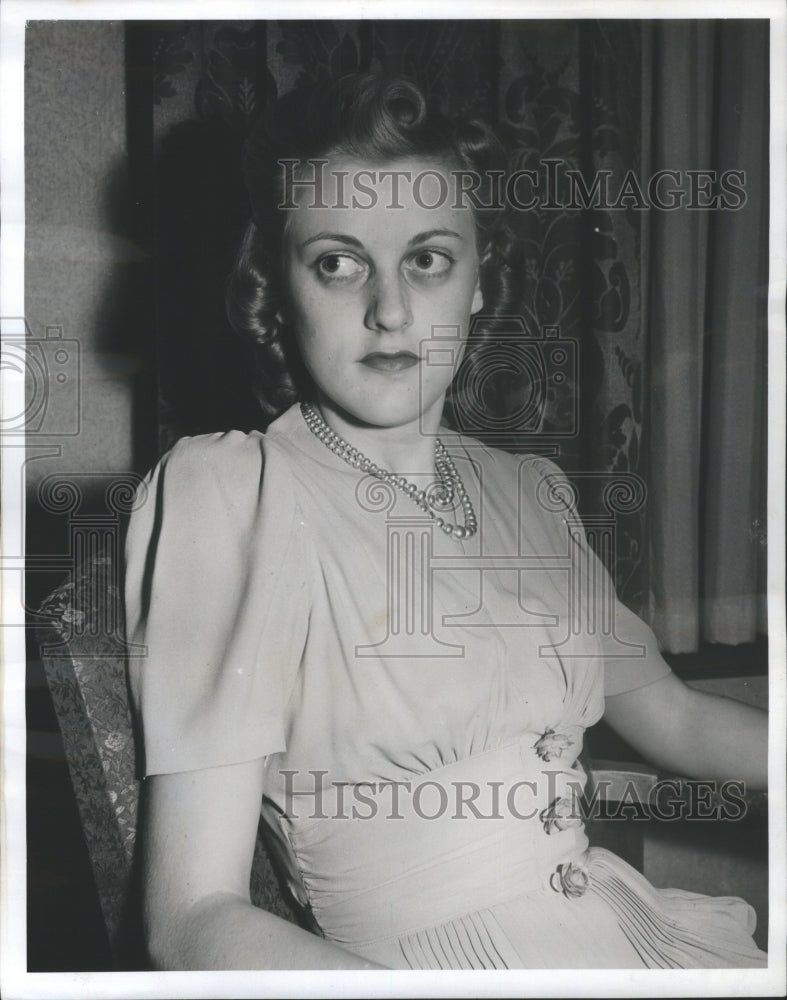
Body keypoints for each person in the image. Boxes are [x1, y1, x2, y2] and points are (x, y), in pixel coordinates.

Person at [123, 74, 768, 970]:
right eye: (338, 262)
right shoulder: (234, 495)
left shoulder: (529, 491)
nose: (389, 311)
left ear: (475, 282)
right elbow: (190, 921)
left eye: (426, 258)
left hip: (621, 934)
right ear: (275, 284)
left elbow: (677, 718)